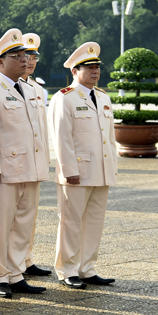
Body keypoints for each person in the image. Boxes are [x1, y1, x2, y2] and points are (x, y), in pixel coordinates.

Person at [0, 28, 50, 299]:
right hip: (3, 172)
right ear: (0, 62)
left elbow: (37, 132)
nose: (23, 60)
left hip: (30, 168)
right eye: (16, 56)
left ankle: (16, 274)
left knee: (23, 225)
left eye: (24, 56)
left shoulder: (29, 90)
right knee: (0, 226)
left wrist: (42, 165)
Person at [49, 43, 117, 289]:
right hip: (77, 171)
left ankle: (87, 268)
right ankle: (67, 270)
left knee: (94, 222)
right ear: (75, 71)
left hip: (101, 171)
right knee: (71, 222)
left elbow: (110, 138)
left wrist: (112, 167)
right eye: (89, 68)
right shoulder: (64, 97)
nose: (95, 71)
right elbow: (61, 138)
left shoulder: (103, 97)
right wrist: (69, 170)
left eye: (97, 67)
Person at [20, 34, 53, 278]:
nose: (30, 61)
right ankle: (10, 265)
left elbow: (41, 129)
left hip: (34, 161)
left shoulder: (37, 89)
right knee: (10, 220)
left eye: (34, 57)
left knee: (29, 216)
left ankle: (26, 259)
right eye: (26, 56)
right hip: (14, 161)